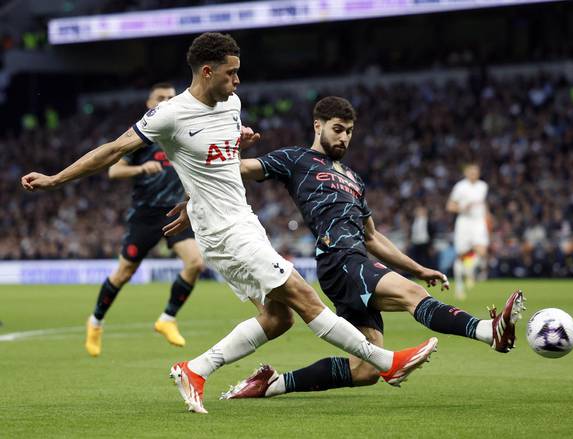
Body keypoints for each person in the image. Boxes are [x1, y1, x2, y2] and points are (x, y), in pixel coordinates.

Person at [21, 32, 437, 415]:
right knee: (303, 296)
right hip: (223, 231)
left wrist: (202, 184)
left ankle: (195, 369)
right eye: (231, 72)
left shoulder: (231, 105)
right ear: (207, 71)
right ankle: (387, 362)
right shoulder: (171, 115)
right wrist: (56, 179)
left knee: (278, 318)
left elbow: (212, 162)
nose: (238, 81)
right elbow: (113, 150)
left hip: (244, 220)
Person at [180, 96, 523, 400]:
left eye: (349, 132)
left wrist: (416, 266)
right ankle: (485, 331)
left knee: (365, 371)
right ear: (318, 126)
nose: (344, 137)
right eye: (337, 129)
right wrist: (202, 192)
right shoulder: (295, 160)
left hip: (358, 258)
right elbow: (238, 170)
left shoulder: (355, 179)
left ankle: (271, 384)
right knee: (410, 295)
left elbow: (372, 236)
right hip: (339, 260)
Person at [84, 83, 205, 357]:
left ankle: (167, 319)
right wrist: (141, 168)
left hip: (175, 211)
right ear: (149, 103)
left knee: (196, 262)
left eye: (170, 98)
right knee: (124, 273)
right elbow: (114, 171)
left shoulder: (182, 133)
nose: (165, 102)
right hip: (145, 214)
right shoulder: (141, 137)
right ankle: (95, 322)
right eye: (160, 98)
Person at [446, 163, 490, 300]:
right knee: (462, 255)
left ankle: (470, 271)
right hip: (464, 222)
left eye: (476, 172)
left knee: (481, 251)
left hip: (478, 222)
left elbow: (483, 203)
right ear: (466, 173)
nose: (474, 174)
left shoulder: (483, 186)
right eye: (471, 172)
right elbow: (450, 206)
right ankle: (459, 286)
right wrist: (463, 209)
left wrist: (488, 216)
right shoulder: (460, 187)